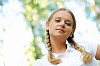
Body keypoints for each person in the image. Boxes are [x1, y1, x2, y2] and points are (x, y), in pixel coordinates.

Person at [33, 8, 100, 66]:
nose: (62, 24)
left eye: (68, 23)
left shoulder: (86, 46)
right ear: (47, 25)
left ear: (71, 31)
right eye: (57, 20)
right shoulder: (40, 64)